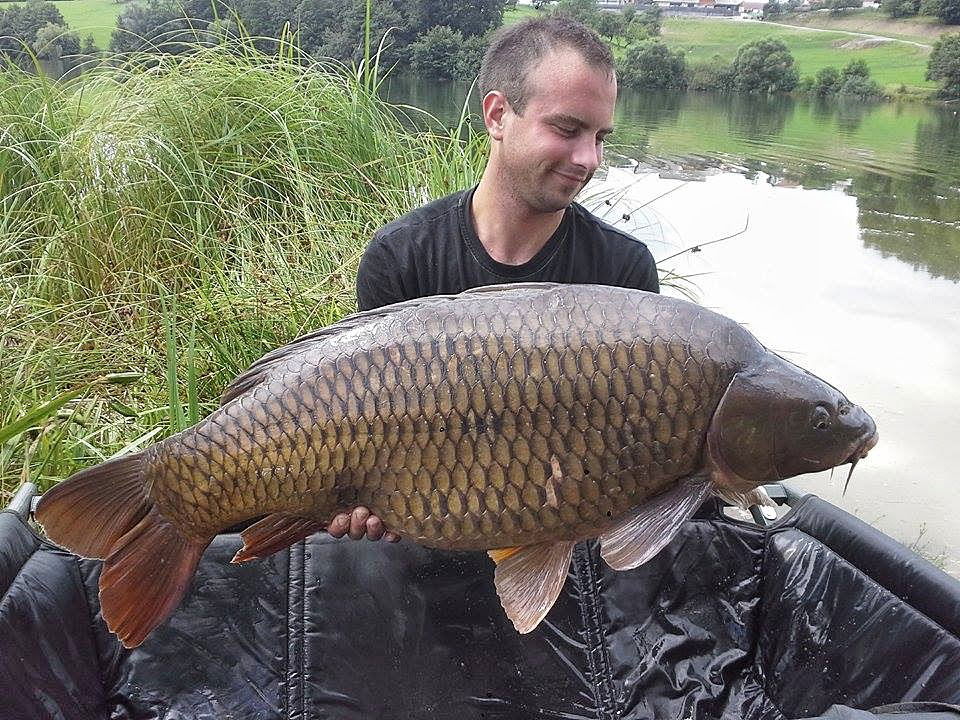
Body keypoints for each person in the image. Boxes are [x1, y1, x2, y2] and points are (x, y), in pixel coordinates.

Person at [325, 17, 660, 544]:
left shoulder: (624, 272)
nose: (588, 159)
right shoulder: (401, 256)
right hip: (428, 539)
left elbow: (638, 455)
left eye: (599, 137)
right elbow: (364, 426)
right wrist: (355, 504)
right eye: (568, 130)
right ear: (498, 115)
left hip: (570, 538)